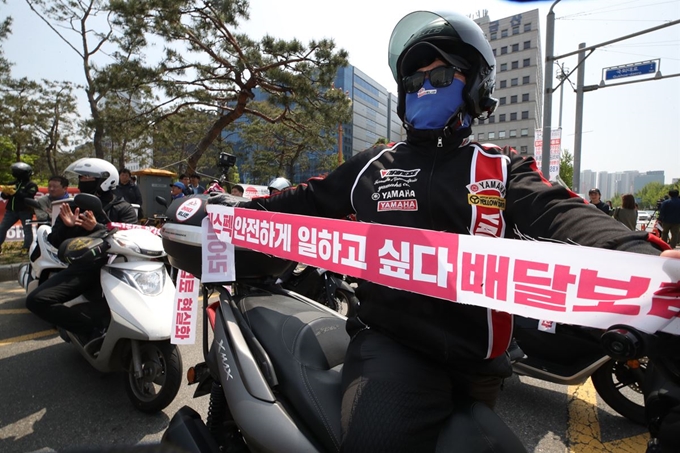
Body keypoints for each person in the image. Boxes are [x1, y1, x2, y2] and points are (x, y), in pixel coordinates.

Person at [210, 10, 680, 452]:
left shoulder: (499, 167)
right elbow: (305, 199)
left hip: (480, 367)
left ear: (475, 88)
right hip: (391, 349)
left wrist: (648, 261)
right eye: (415, 80)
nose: (425, 87)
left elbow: (561, 214)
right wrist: (230, 211)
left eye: (440, 77)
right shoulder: (374, 165)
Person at [25, 158, 137, 346]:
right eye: (81, 177)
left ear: (105, 180)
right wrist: (67, 227)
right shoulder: (73, 206)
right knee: (37, 300)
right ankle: (89, 329)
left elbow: (132, 238)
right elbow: (54, 241)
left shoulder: (123, 208)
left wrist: (98, 227)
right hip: (86, 268)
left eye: (87, 177)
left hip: (120, 268)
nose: (82, 180)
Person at [0, 162, 38, 254]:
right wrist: (5, 192)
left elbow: (28, 195)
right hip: (11, 211)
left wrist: (16, 192)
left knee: (27, 230)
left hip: (25, 210)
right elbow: (4, 197)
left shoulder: (31, 185)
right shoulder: (12, 183)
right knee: (2, 228)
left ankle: (26, 247)